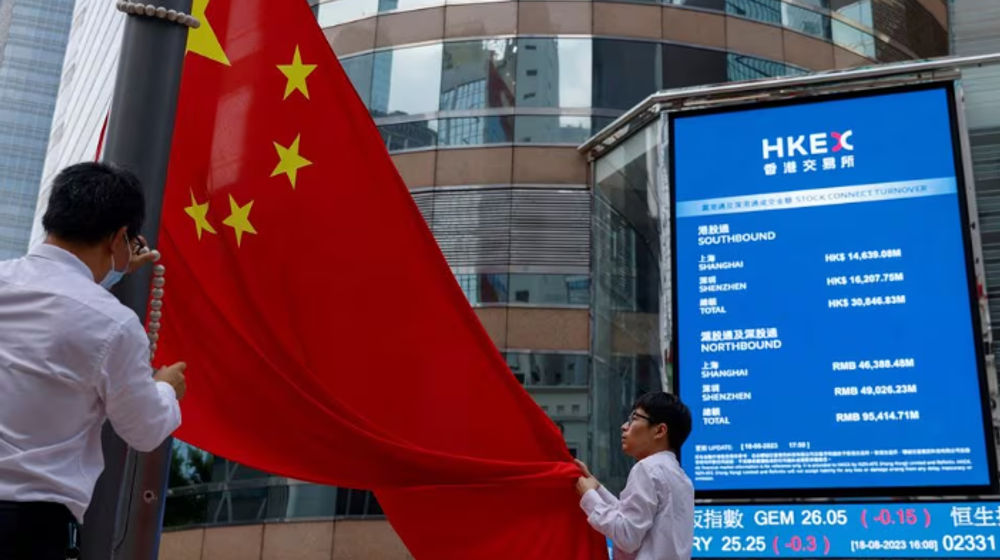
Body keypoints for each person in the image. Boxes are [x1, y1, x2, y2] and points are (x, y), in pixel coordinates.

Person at [0, 162, 186, 559]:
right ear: (121, 237)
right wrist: (166, 388)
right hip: (28, 528)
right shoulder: (114, 324)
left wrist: (110, 273)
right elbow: (144, 429)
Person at [575, 392, 694, 560]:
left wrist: (589, 497)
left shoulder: (647, 468)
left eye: (634, 419)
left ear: (660, 430)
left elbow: (627, 536)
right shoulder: (681, 477)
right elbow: (634, 517)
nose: (624, 426)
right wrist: (597, 489)